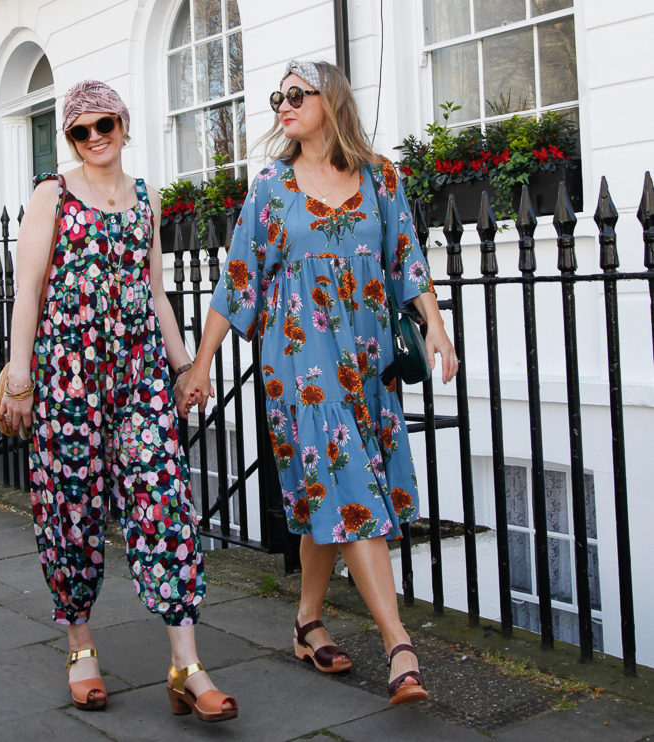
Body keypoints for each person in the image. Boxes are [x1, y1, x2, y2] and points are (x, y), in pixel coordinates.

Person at [176, 60, 459, 705]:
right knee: (350, 486)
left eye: (296, 94)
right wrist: (200, 364)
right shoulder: (271, 186)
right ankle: (399, 648)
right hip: (299, 364)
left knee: (325, 492)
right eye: (279, 96)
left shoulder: (382, 177)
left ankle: (306, 621)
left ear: (331, 100)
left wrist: (435, 328)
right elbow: (237, 279)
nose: (283, 104)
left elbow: (407, 259)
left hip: (365, 362)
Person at [0, 79, 237, 722]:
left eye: (105, 124)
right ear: (70, 139)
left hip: (139, 379)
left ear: (124, 125)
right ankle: (81, 649)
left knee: (164, 501)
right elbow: (28, 293)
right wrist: (19, 376)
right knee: (70, 512)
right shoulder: (52, 194)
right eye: (81, 130)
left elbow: (154, 292)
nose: (95, 137)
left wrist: (185, 364)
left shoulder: (147, 200)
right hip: (67, 379)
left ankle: (186, 665)